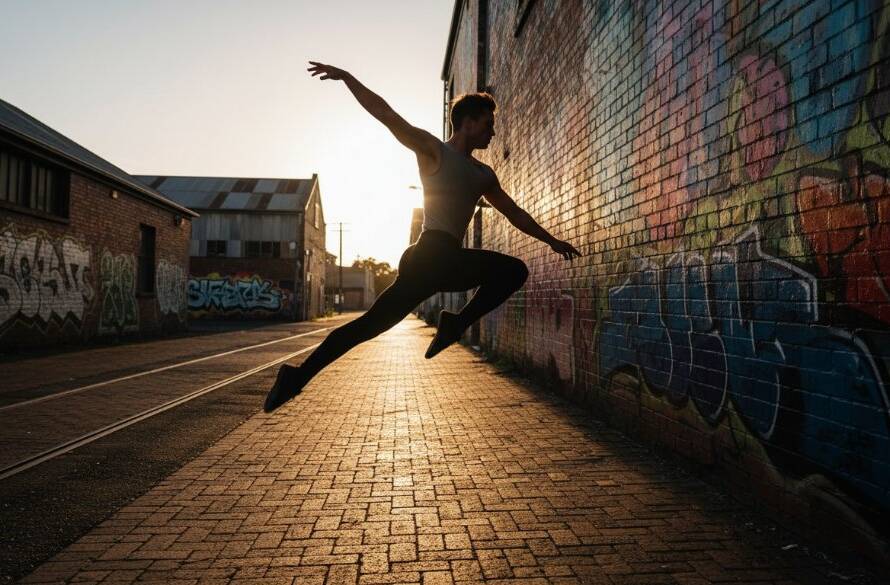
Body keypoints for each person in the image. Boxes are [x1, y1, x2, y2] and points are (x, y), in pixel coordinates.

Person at [263, 61, 581, 413]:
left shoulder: (483, 174)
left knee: (373, 323)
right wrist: (348, 78)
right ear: (469, 122)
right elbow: (386, 114)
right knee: (373, 325)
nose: (493, 133)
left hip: (437, 261)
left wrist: (550, 239)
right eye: (489, 125)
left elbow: (514, 212)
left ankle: (296, 377)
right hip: (432, 255)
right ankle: (453, 324)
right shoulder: (434, 151)